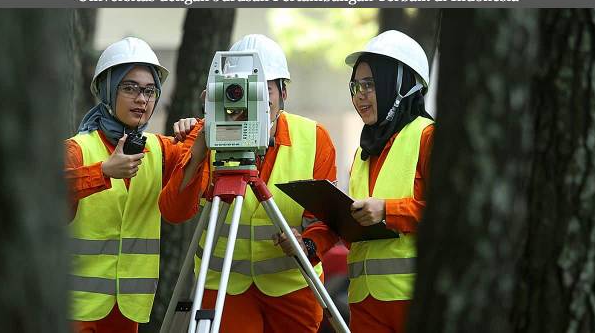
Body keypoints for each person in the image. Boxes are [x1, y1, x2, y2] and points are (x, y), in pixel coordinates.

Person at [158, 34, 340, 333]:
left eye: (264, 87)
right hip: (224, 288)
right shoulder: (206, 135)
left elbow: (326, 219)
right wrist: (199, 148)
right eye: (241, 89)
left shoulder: (315, 138)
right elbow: (174, 212)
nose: (254, 98)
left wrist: (307, 243)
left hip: (292, 285)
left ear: (283, 92)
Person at [65, 37, 201, 333]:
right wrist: (103, 171)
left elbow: (181, 208)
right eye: (129, 88)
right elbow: (47, 198)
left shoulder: (163, 150)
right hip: (73, 306)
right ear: (107, 90)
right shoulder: (76, 149)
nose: (142, 99)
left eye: (150, 90)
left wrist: (197, 129)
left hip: (129, 308)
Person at [344, 30, 435, 332]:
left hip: (414, 302)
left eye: (370, 84)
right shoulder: (363, 151)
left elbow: (446, 215)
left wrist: (386, 211)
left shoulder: (428, 137)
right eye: (356, 85)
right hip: (364, 303)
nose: (360, 94)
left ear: (400, 87)